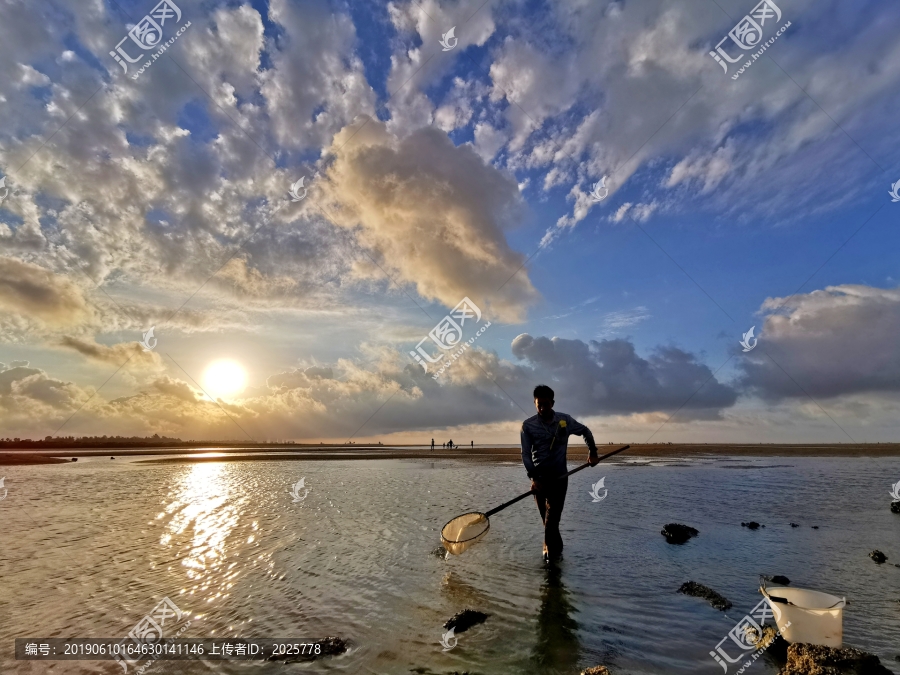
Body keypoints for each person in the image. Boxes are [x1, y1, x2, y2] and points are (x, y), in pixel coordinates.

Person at [521, 384, 599, 563]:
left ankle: (550, 562)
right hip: (539, 480)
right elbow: (525, 454)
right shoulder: (528, 426)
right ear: (535, 403)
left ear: (553, 403)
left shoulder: (565, 421)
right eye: (538, 404)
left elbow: (585, 431)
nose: (542, 408)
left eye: (546, 404)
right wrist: (534, 477)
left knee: (551, 521)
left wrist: (593, 453)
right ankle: (556, 548)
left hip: (559, 479)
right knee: (547, 521)